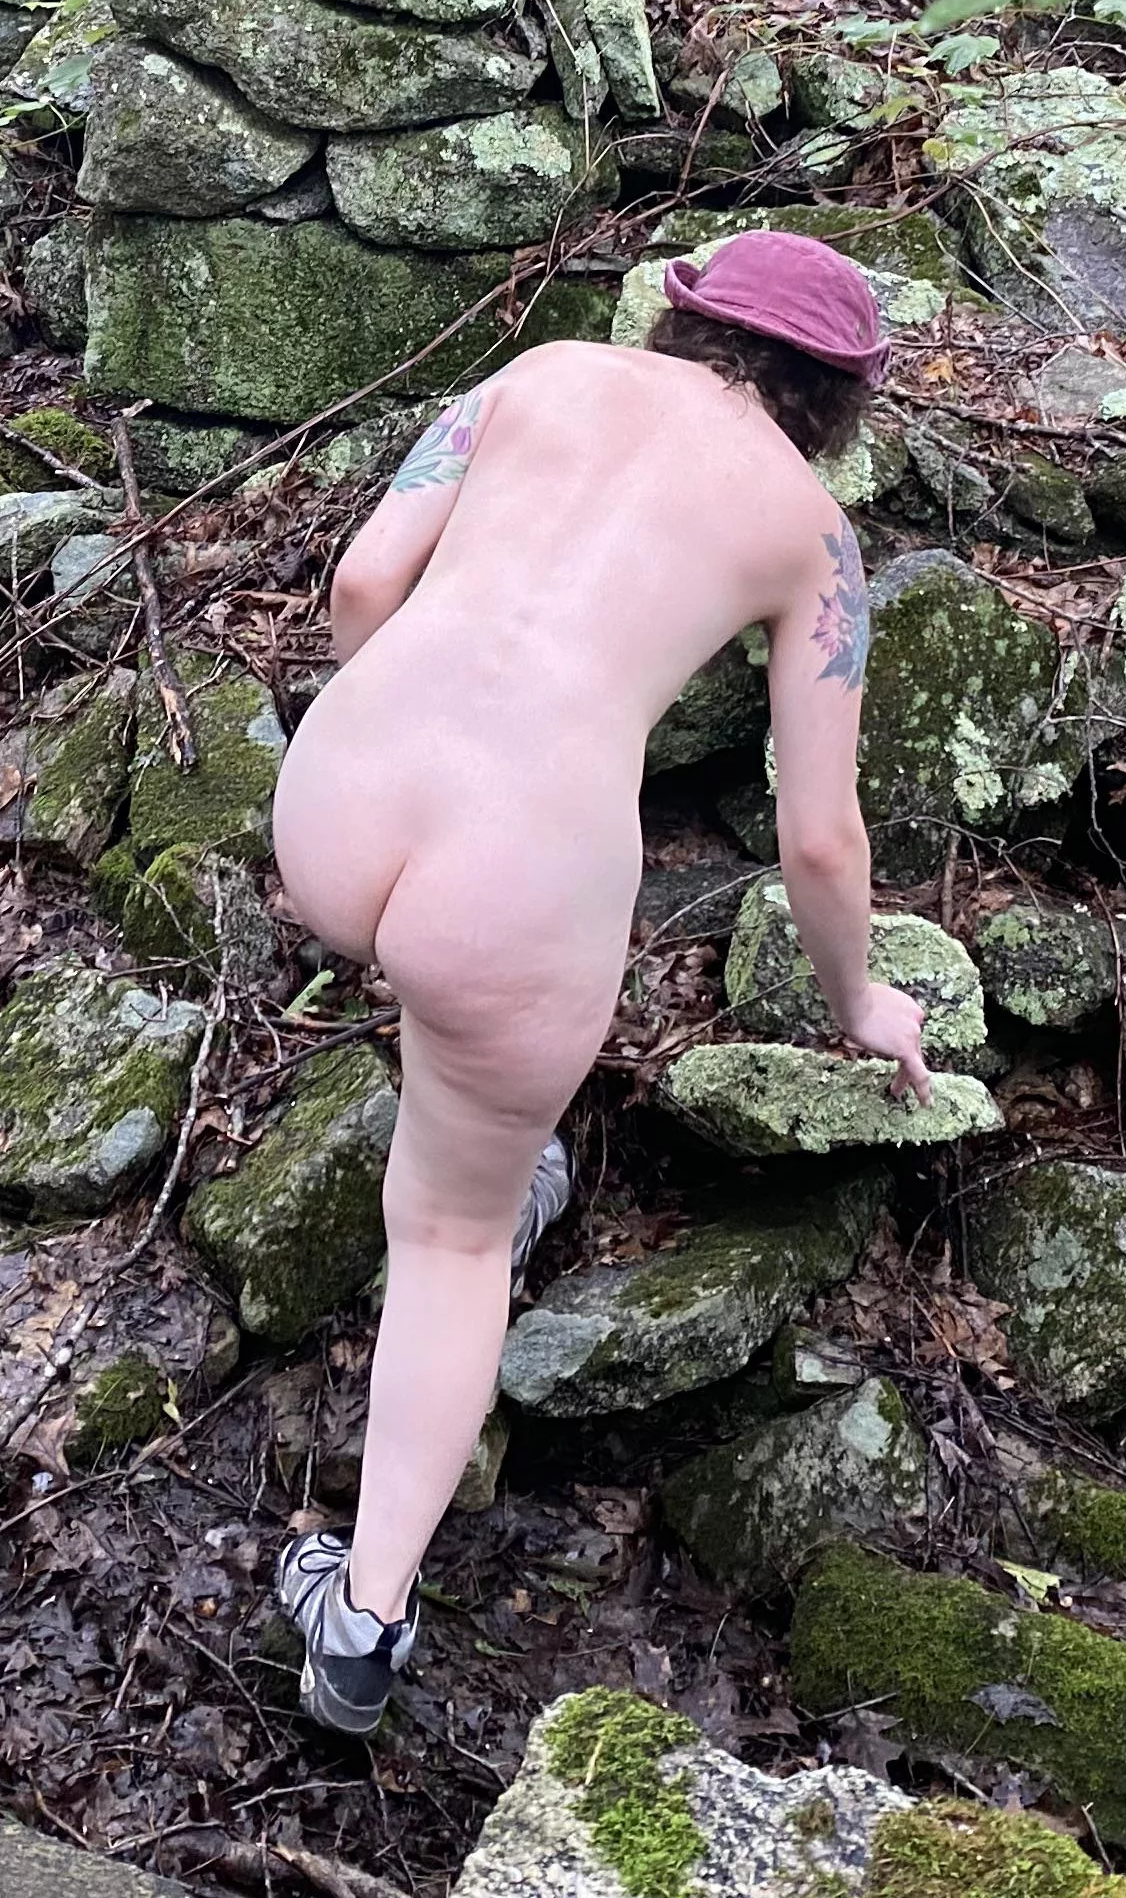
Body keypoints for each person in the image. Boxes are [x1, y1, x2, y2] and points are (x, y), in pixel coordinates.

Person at [260, 230, 939, 1736]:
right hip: (513, 895)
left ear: (682, 318)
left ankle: (481, 1105)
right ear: (841, 396)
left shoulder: (542, 373)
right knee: (451, 1236)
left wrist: (394, 739)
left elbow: (364, 579)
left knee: (443, 1014)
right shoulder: (813, 536)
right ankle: (362, 1624)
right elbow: (819, 840)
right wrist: (859, 1002)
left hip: (338, 805)